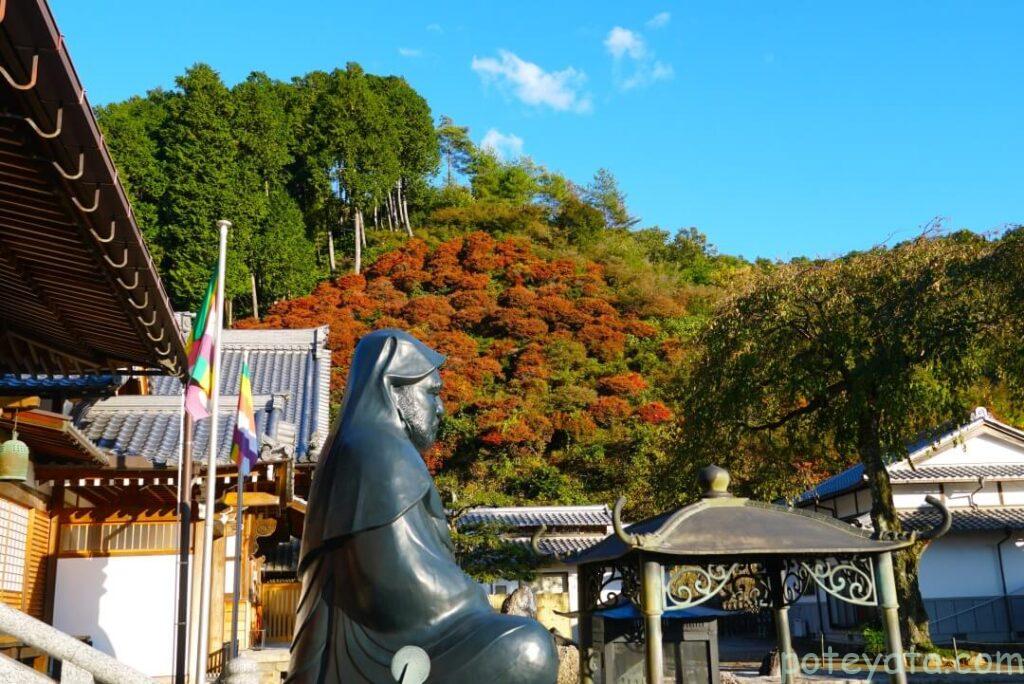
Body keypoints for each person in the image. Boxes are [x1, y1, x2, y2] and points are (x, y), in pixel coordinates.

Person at [287, 330, 558, 683]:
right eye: (431, 393)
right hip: (378, 652)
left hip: (368, 643)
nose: (440, 407)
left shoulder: (359, 446)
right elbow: (394, 584)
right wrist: (477, 593)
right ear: (394, 390)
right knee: (530, 647)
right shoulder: (379, 451)